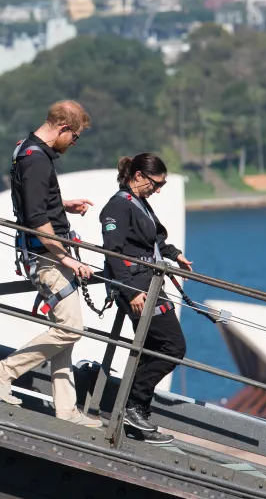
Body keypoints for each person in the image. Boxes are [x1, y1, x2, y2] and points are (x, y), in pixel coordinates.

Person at [0, 100, 101, 428]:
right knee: (71, 328)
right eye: (74, 137)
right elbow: (36, 218)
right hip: (47, 257)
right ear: (63, 128)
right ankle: (3, 372)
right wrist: (65, 258)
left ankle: (66, 410)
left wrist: (62, 204)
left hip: (46, 254)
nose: (73, 144)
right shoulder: (36, 160)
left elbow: (34, 199)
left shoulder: (27, 150)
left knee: (66, 330)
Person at [99, 153, 192, 445]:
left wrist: (174, 254)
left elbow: (154, 240)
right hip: (136, 287)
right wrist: (129, 291)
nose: (158, 189)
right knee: (173, 346)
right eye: (156, 183)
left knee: (153, 349)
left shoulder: (138, 204)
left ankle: (137, 415)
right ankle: (132, 407)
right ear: (138, 175)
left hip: (149, 284)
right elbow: (113, 252)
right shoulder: (117, 206)